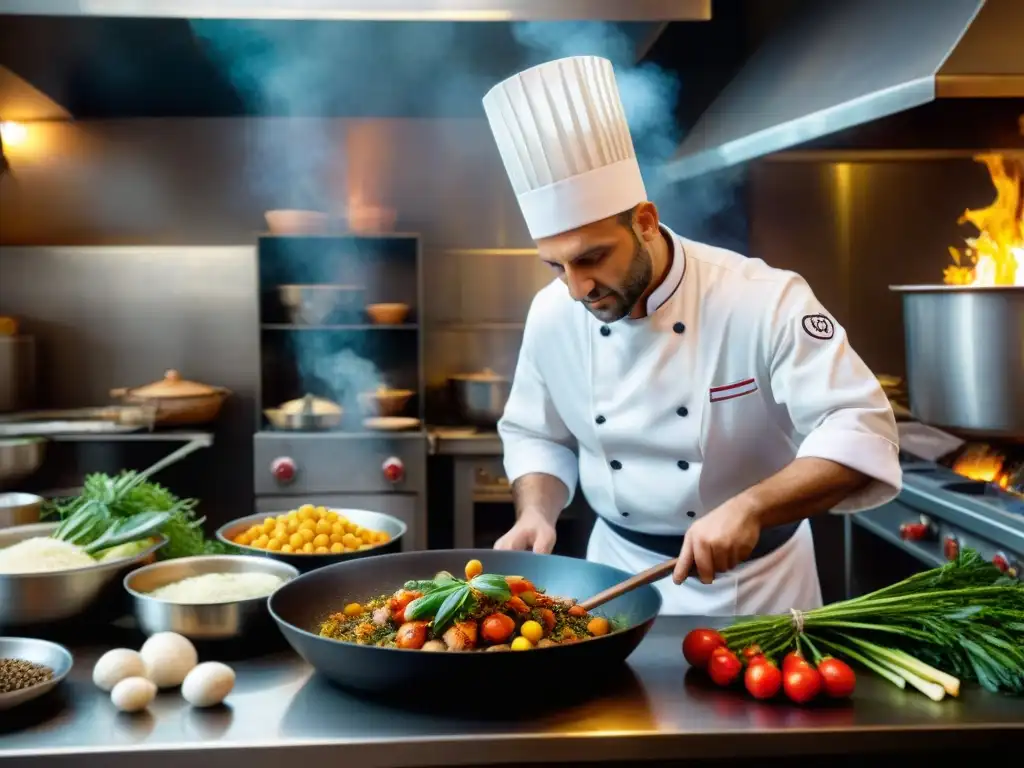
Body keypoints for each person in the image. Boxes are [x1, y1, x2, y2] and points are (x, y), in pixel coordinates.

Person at [483, 55, 901, 616]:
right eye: (556, 266)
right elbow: (538, 433)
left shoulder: (762, 298)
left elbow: (860, 429)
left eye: (592, 258)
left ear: (647, 221)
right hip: (616, 581)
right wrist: (536, 512)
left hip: (760, 592)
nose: (578, 288)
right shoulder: (553, 312)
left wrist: (751, 506)